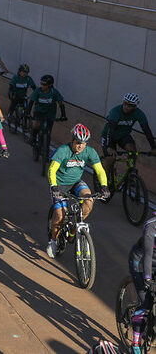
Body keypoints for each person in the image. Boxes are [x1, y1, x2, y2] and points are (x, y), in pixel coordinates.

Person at [46, 124, 109, 258]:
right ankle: (53, 241)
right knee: (60, 215)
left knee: (89, 201)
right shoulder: (63, 150)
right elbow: (52, 170)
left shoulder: (89, 151)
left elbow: (99, 170)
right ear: (72, 140)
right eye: (78, 143)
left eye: (84, 143)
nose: (80, 146)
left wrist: (104, 187)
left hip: (76, 183)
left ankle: (74, 229)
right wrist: (54, 187)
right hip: (60, 184)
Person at [101, 93, 156, 177]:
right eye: (125, 103)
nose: (126, 107)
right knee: (111, 158)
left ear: (135, 107)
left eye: (130, 105)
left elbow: (146, 130)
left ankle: (131, 174)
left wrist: (153, 147)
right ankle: (105, 180)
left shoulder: (138, 113)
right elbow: (111, 130)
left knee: (132, 151)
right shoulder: (115, 111)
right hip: (108, 135)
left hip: (123, 135)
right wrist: (110, 147)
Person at [129, 212, 156, 353]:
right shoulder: (151, 226)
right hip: (141, 263)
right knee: (145, 302)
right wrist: (148, 280)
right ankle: (135, 344)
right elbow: (147, 255)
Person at [28, 74, 67, 148]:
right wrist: (27, 112)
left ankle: (46, 146)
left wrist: (63, 115)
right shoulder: (38, 91)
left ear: (50, 85)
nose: (42, 86)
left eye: (44, 84)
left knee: (48, 130)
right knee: (37, 124)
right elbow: (31, 102)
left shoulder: (54, 92)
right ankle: (32, 137)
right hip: (39, 111)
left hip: (50, 113)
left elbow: (61, 104)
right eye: (41, 84)